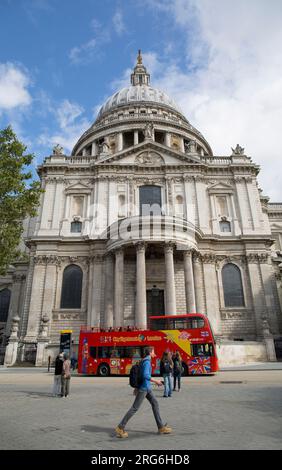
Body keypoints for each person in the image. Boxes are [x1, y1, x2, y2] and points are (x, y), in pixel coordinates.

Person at [115, 346, 172, 438]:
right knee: (134, 408)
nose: (154, 353)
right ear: (150, 352)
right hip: (144, 388)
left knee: (155, 403)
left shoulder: (144, 360)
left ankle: (160, 427)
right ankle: (120, 427)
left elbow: (141, 375)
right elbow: (145, 375)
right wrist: (156, 381)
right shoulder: (147, 362)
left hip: (147, 388)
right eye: (153, 351)